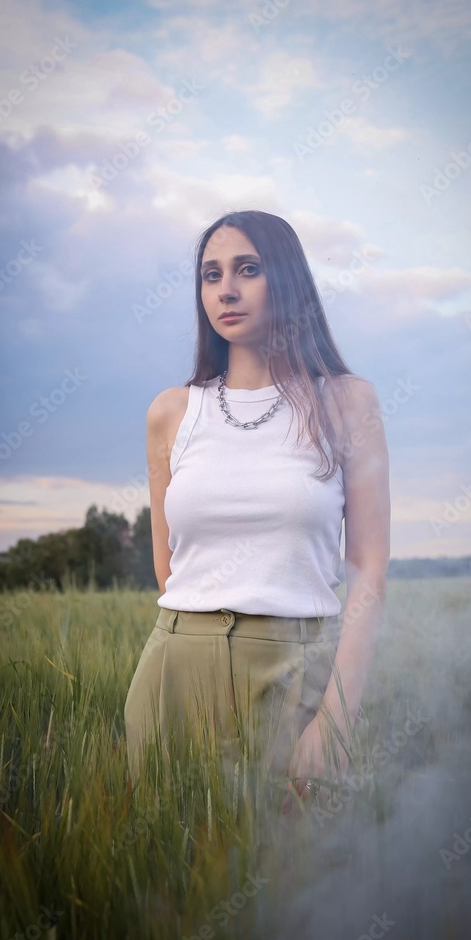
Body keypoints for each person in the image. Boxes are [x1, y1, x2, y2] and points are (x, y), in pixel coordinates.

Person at [124, 209, 390, 817]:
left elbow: (369, 569)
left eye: (248, 268)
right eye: (211, 274)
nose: (227, 288)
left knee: (291, 888)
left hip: (296, 672)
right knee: (167, 887)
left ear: (288, 280)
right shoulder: (170, 412)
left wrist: (334, 716)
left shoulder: (347, 401)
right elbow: (170, 571)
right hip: (174, 671)